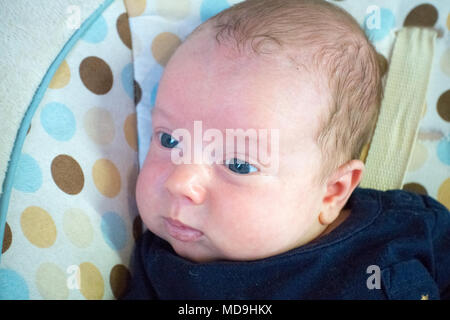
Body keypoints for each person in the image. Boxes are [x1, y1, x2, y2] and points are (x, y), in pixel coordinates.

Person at [122, 0, 450, 299]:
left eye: (238, 164)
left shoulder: (407, 231)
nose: (179, 182)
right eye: (169, 140)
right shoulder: (162, 269)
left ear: (333, 192)